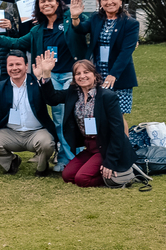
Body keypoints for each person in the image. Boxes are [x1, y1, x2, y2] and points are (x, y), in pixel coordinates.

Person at [0, 0, 88, 172]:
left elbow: (87, 29)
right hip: (51, 77)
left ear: (58, 3)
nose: (47, 4)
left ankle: (80, 156)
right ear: (38, 7)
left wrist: (75, 18)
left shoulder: (70, 19)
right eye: (43, 2)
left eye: (50, 1)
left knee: (79, 114)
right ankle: (67, 158)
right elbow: (16, 43)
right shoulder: (36, 30)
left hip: (74, 75)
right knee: (60, 118)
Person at [38, 54, 136, 188]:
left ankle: (118, 177)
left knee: (81, 179)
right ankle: (98, 169)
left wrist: (110, 162)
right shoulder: (73, 93)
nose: (82, 76)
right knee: (67, 176)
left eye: (86, 72)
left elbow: (117, 132)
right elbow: (52, 99)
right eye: (77, 73)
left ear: (95, 75)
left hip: (106, 147)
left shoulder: (107, 97)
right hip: (89, 146)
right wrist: (46, 74)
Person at [70, 0, 139, 129]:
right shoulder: (96, 18)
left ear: (121, 1)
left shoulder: (131, 24)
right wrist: (75, 17)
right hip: (97, 75)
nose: (109, 2)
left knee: (117, 116)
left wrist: (113, 75)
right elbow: (80, 29)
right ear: (100, 2)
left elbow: (126, 52)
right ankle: (99, 148)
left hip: (119, 77)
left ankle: (123, 150)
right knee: (96, 113)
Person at [0, 51, 57, 176]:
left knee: (47, 144)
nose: (14, 68)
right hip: (12, 133)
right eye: (10, 65)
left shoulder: (36, 82)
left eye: (18, 64)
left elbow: (51, 99)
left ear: (26, 66)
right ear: (6, 67)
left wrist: (44, 77)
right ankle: (12, 162)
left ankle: (42, 167)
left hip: (36, 132)